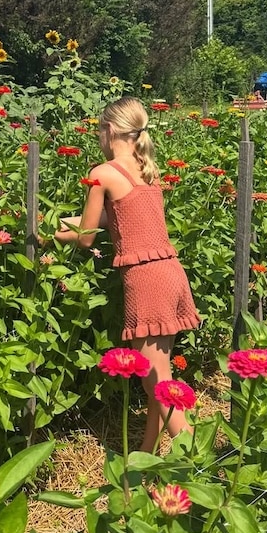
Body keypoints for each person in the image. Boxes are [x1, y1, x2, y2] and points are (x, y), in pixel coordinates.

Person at [53, 97, 201, 452]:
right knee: (158, 378)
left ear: (108, 130)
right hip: (170, 273)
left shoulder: (102, 173)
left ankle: (200, 460)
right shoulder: (145, 169)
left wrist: (51, 234)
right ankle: (144, 459)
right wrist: (68, 222)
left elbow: (86, 238)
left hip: (145, 281)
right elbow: (117, 218)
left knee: (157, 384)